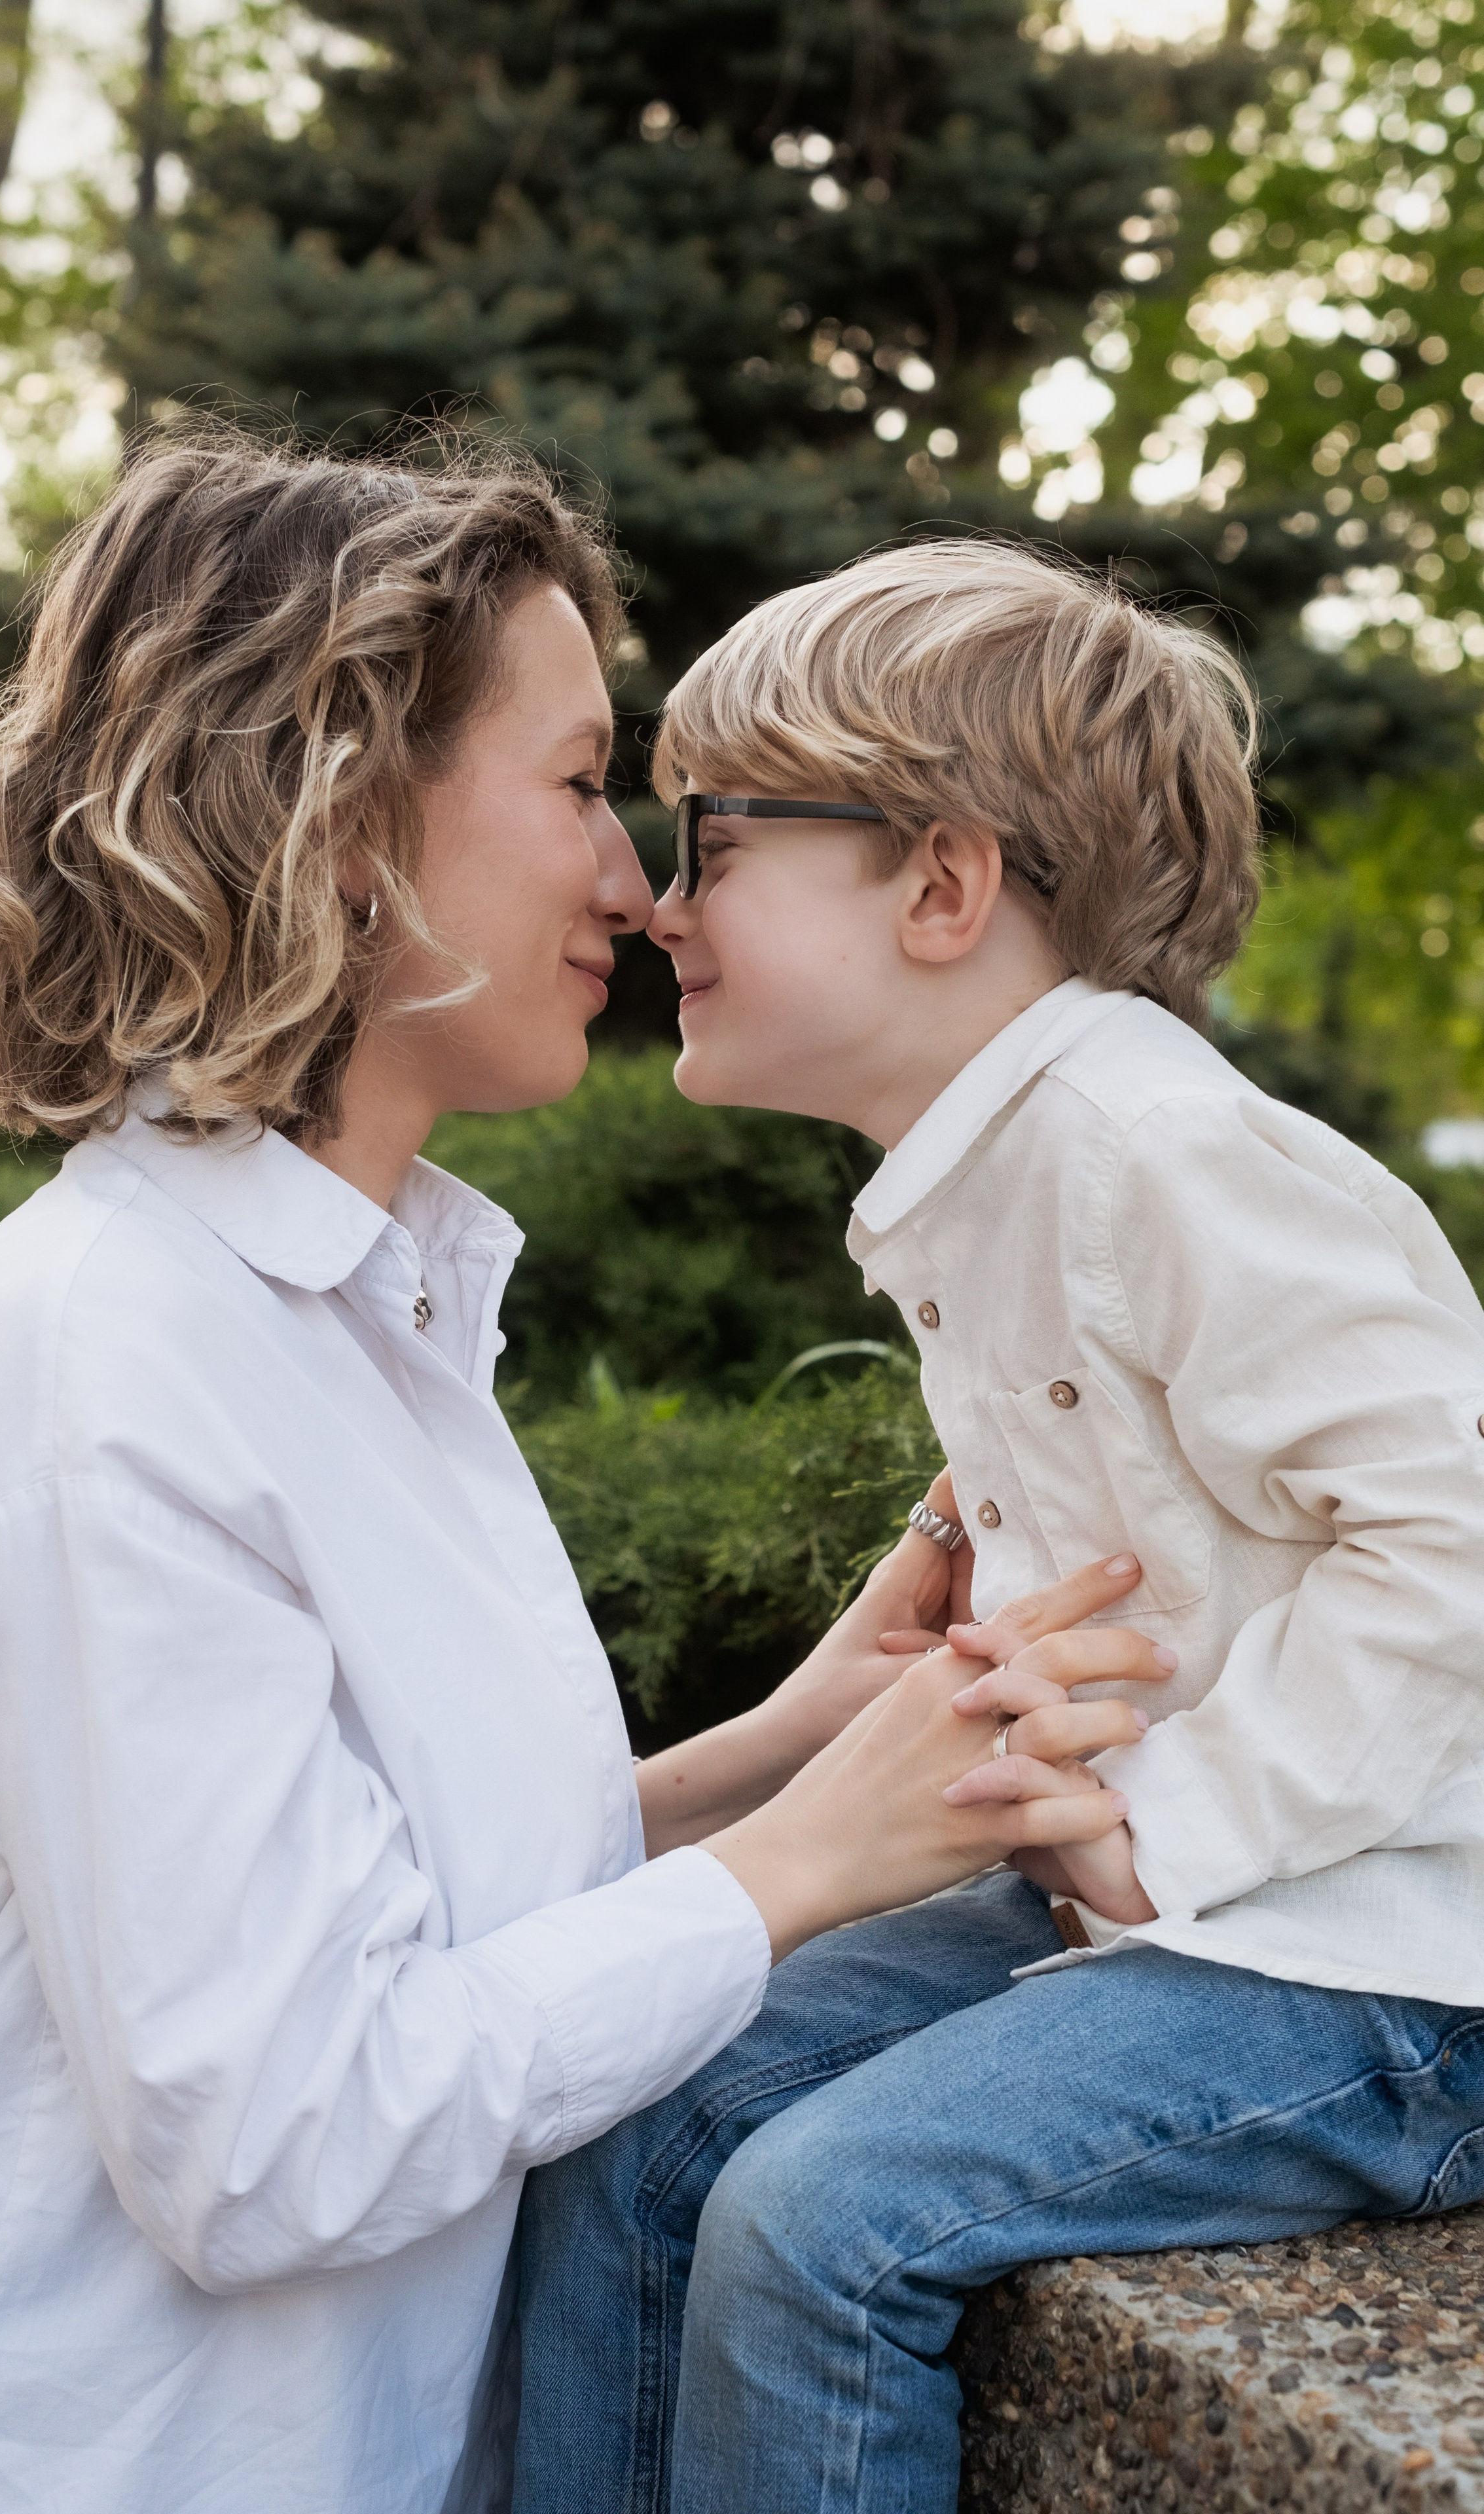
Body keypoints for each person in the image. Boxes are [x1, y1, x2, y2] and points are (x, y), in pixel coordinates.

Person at [0, 438, 1155, 2514]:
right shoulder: (106, 1369)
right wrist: (796, 1868)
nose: (641, 879)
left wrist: (790, 1753)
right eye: (579, 781)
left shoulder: (362, 1314)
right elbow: (271, 2133)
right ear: (343, 813)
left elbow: (369, 1906)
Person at [512, 538, 1484, 2514]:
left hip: (1381, 1969)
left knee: (817, 2227)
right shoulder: (1001, 1162)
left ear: (944, 885)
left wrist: (1166, 1831)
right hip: (1165, 1923)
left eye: (715, 841)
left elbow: (1455, 1536)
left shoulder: (1159, 1150)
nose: (660, 901)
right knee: (627, 2123)